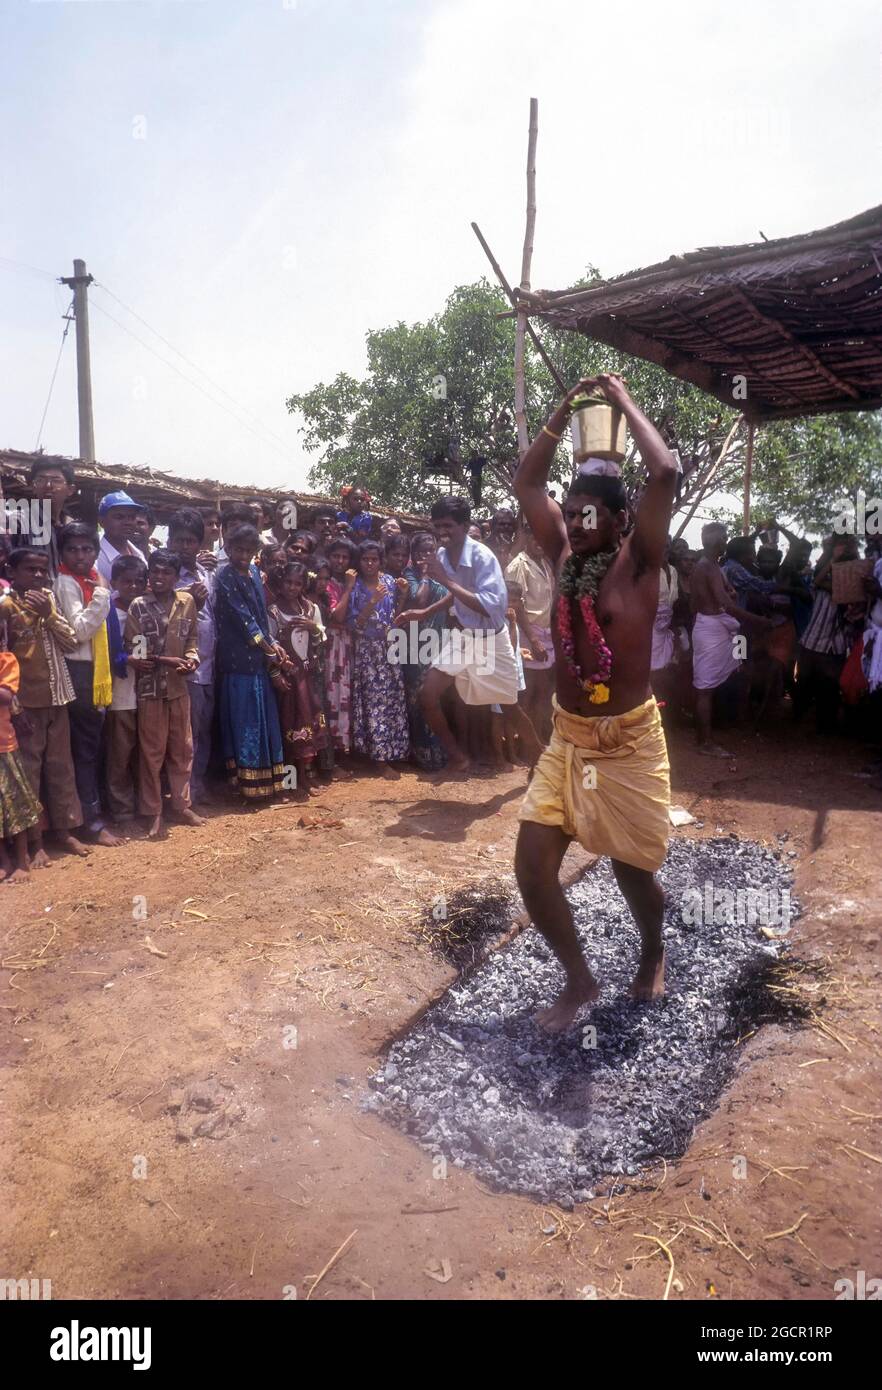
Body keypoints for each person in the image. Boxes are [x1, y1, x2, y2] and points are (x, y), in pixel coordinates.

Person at [513, 373, 678, 1030]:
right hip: (569, 739)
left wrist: (619, 402)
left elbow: (663, 471)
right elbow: (529, 485)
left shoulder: (639, 562)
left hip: (632, 743)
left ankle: (652, 956)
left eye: (588, 514)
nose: (575, 521)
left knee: (633, 874)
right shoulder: (559, 554)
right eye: (570, 511)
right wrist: (559, 414)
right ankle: (578, 980)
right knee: (531, 866)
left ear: (618, 522)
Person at [418, 495, 519, 775]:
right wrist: (424, 613)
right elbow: (456, 595)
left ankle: (540, 758)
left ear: (464, 525)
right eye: (438, 526)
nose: (442, 532)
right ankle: (457, 756)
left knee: (510, 707)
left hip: (492, 640)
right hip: (464, 638)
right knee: (427, 696)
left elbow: (489, 607)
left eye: (448, 526)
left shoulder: (482, 557)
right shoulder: (441, 554)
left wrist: (445, 580)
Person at [0, 548, 86, 861]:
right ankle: (35, 842)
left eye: (41, 570)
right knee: (31, 772)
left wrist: (49, 614)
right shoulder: (7, 606)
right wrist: (15, 709)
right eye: (29, 570)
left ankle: (65, 831)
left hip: (58, 696)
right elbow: (4, 659)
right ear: (13, 571)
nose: (37, 575)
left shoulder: (49, 599)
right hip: (27, 705)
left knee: (62, 767)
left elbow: (72, 642)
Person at [125, 549, 203, 837]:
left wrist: (192, 658)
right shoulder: (138, 606)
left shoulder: (187, 602)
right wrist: (166, 660)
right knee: (151, 753)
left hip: (179, 688)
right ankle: (153, 811)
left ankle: (181, 805)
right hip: (150, 690)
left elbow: (192, 638)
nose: (159, 577)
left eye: (166, 573)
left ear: (175, 576)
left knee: (182, 750)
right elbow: (137, 653)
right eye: (155, 571)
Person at [54, 523, 123, 846]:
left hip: (96, 671)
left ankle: (92, 815)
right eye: (73, 549)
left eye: (87, 549)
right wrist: (102, 594)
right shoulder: (68, 583)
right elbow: (79, 630)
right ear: (63, 553)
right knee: (84, 750)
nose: (80, 555)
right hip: (81, 672)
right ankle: (90, 823)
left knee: (91, 748)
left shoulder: (90, 579)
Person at [213, 524, 287, 800]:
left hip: (259, 657)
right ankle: (247, 785)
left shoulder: (256, 572)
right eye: (238, 549)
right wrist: (268, 648)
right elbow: (243, 619)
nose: (243, 555)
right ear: (229, 549)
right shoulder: (225, 576)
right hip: (238, 658)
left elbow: (259, 613)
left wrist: (274, 644)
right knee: (245, 719)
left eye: (248, 550)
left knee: (263, 715)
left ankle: (267, 782)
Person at [691, 523, 772, 755]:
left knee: (737, 667)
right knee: (704, 688)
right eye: (725, 538)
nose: (727, 542)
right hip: (711, 628)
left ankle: (711, 733)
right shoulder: (707, 567)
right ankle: (705, 743)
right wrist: (758, 620)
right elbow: (725, 604)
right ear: (717, 541)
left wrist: (730, 595)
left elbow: (724, 597)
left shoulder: (712, 566)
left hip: (718, 626)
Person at [331, 539, 409, 777]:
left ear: (380, 560)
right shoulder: (355, 587)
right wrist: (372, 601)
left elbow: (396, 613)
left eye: (374, 559)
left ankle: (394, 751)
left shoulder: (388, 581)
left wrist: (403, 594)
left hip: (389, 649)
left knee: (392, 700)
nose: (370, 563)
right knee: (374, 703)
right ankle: (379, 758)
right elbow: (355, 625)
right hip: (368, 649)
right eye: (365, 559)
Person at [267, 560, 332, 794]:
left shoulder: (311, 609)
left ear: (304, 585)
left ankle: (306, 776)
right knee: (291, 726)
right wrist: (275, 672)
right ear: (281, 583)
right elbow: (268, 646)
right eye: (288, 582)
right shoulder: (274, 611)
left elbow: (322, 641)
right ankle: (293, 782)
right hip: (289, 679)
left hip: (307, 678)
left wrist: (313, 628)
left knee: (310, 725)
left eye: (298, 583)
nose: (292, 587)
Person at [167, 509, 217, 806]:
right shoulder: (165, 575)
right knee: (187, 733)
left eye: (191, 541)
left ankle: (198, 786)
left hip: (211, 662)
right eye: (180, 540)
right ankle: (184, 793)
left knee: (205, 729)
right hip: (187, 667)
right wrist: (188, 600)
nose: (186, 547)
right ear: (170, 541)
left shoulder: (207, 572)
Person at [395, 531, 450, 770]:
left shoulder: (444, 571)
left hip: (438, 640)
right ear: (413, 554)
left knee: (435, 698)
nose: (426, 555)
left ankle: (437, 749)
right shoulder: (410, 574)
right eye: (421, 551)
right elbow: (419, 601)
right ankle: (420, 752)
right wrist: (426, 574)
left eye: (430, 550)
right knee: (417, 699)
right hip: (415, 645)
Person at [104, 553, 147, 827]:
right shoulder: (109, 611)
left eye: (138, 582)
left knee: (144, 751)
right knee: (120, 752)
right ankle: (121, 810)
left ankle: (146, 804)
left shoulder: (146, 609)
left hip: (147, 691)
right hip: (121, 690)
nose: (133, 587)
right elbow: (104, 651)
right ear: (115, 582)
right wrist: (126, 659)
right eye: (126, 581)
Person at [506, 524, 556, 742]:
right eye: (535, 539)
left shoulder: (545, 563)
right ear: (526, 538)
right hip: (528, 634)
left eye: (543, 540)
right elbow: (516, 605)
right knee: (527, 692)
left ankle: (536, 739)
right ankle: (524, 744)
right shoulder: (519, 565)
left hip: (546, 634)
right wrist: (534, 640)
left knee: (543, 691)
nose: (539, 544)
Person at [0, 649, 42, 883]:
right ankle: (4, 861)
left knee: (17, 807)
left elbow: (6, 696)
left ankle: (22, 861)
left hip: (4, 748)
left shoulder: (6, 659)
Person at [4, 458, 77, 576]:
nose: (48, 485)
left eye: (56, 480)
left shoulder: (73, 527)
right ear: (33, 486)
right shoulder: (18, 521)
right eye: (41, 480)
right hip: (31, 593)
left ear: (70, 489)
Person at [324, 538, 356, 764]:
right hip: (332, 644)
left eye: (345, 557)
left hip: (347, 643)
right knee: (332, 694)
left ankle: (345, 751)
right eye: (336, 556)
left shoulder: (348, 581)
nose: (340, 561)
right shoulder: (327, 583)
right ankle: (331, 755)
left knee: (345, 694)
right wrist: (350, 588)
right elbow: (338, 615)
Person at [96, 491, 146, 584]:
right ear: (102, 521)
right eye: (119, 517)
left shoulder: (139, 555)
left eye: (131, 517)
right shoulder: (95, 558)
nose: (128, 522)